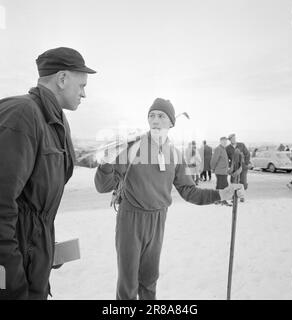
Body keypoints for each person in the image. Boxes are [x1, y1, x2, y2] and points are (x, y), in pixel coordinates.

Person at [94, 98, 244, 300]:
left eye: (161, 116)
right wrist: (106, 162)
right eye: (152, 115)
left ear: (171, 123)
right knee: (128, 283)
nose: (155, 119)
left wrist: (221, 193)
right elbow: (102, 186)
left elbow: (190, 192)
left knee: (149, 280)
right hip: (131, 219)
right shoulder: (132, 148)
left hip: (158, 220)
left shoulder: (174, 153)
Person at [0, 47, 96, 299]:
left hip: (34, 263)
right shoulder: (22, 113)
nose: (84, 93)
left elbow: (34, 207)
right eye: (82, 85)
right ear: (62, 79)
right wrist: (11, 279)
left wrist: (45, 252)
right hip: (14, 272)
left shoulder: (56, 121)